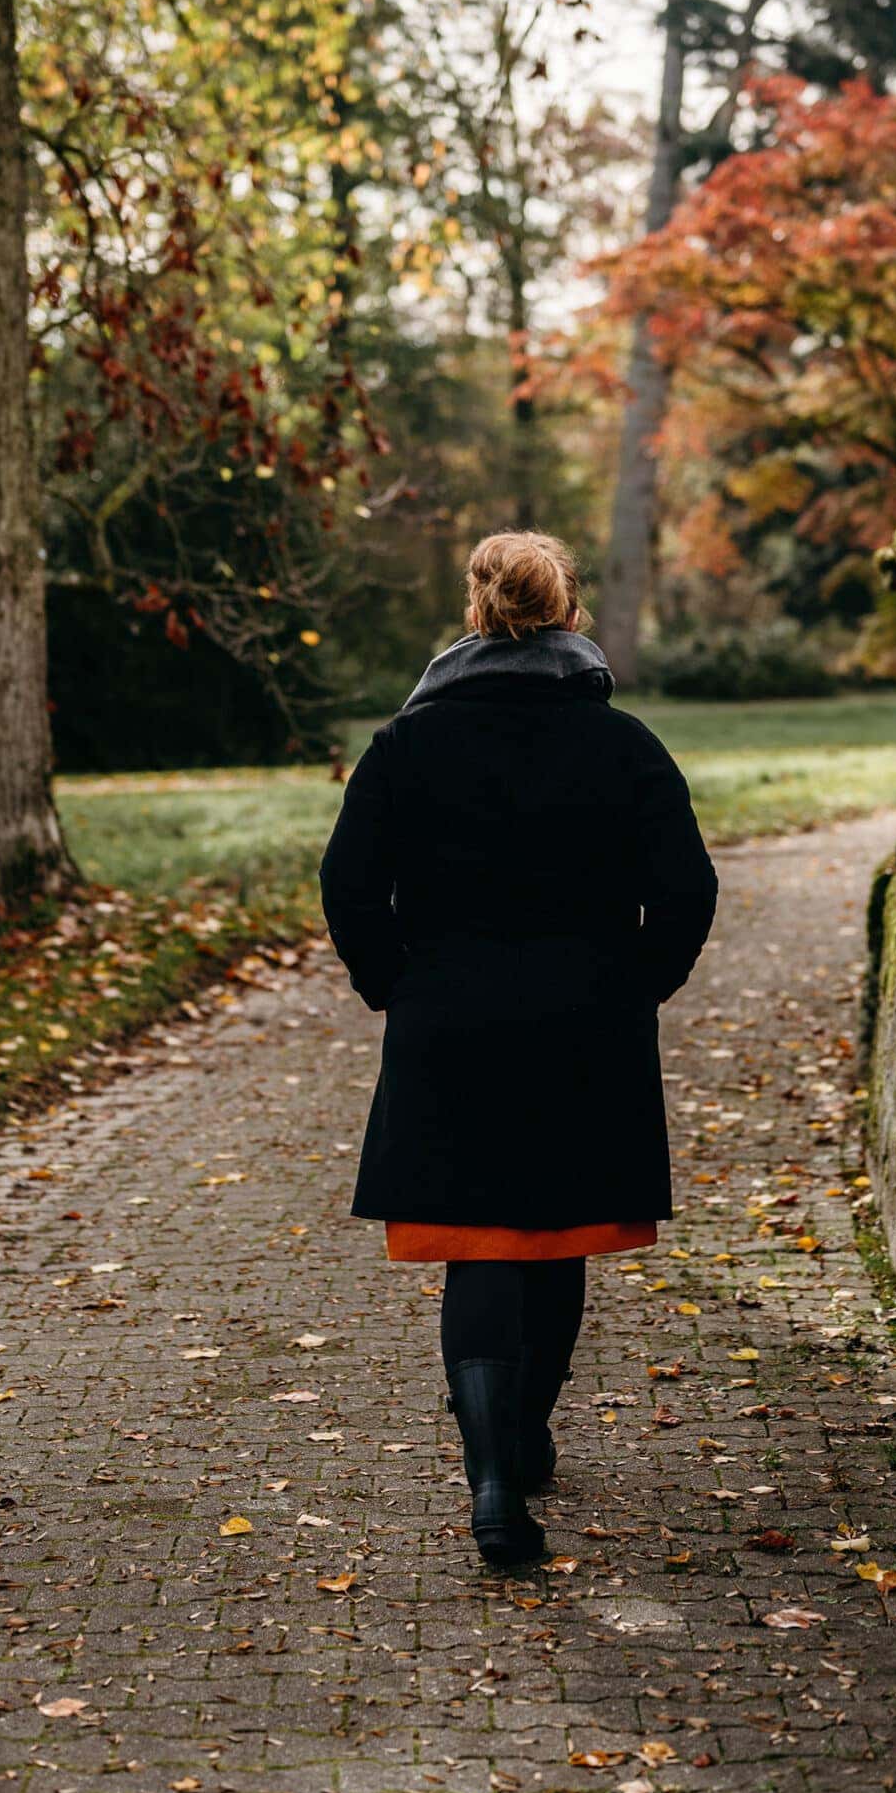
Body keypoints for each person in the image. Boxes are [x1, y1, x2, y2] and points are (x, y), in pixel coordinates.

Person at [319, 530, 718, 1566]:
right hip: (588, 1020)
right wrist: (639, 981)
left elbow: (349, 884)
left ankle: (496, 1478)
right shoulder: (624, 744)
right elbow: (686, 889)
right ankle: (527, 1434)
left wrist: (394, 982)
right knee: (557, 1233)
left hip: (450, 1020)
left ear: (473, 612)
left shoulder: (406, 746)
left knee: (480, 1246)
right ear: (568, 615)